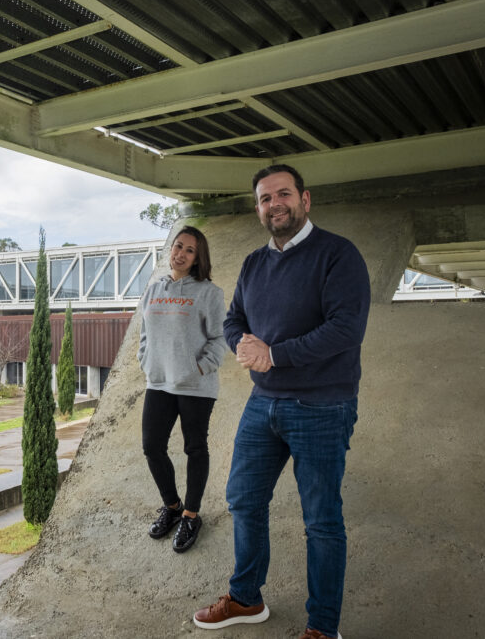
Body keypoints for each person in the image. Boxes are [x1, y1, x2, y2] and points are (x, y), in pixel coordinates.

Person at [193, 164, 370, 639]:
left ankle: (323, 628)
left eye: (283, 194)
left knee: (321, 521)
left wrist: (275, 355)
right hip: (263, 403)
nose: (275, 204)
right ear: (258, 209)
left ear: (304, 200)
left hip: (323, 407)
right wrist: (245, 347)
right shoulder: (254, 263)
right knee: (244, 499)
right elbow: (234, 320)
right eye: (265, 198)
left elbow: (346, 329)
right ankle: (246, 598)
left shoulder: (338, 255)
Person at [138, 226, 227, 553]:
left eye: (190, 250)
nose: (181, 254)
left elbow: (220, 338)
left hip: (195, 386)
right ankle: (172, 506)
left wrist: (199, 368)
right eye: (178, 246)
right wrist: (146, 361)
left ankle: (191, 515)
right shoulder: (153, 290)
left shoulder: (209, 293)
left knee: (195, 448)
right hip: (159, 382)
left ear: (198, 258)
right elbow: (145, 334)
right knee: (152, 447)